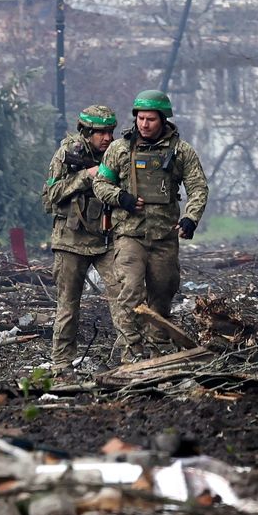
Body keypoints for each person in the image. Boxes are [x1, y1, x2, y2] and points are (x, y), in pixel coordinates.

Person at [91, 89, 209, 362]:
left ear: (163, 119)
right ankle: (131, 350)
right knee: (130, 291)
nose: (144, 124)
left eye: (151, 119)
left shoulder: (181, 151)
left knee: (163, 294)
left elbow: (198, 187)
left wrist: (191, 218)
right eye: (141, 118)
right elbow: (100, 184)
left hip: (165, 237)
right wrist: (122, 198)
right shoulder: (120, 149)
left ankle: (156, 351)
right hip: (129, 235)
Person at [41, 104, 119, 374]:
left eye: (110, 132)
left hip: (105, 239)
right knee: (68, 304)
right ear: (86, 132)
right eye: (100, 133)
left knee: (124, 296)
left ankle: (132, 356)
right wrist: (87, 176)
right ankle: (62, 363)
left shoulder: (115, 155)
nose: (107, 138)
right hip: (70, 240)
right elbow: (50, 196)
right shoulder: (67, 154)